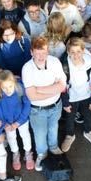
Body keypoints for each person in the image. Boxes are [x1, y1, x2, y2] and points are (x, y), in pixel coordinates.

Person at [21, 37, 66, 171]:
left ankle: (53, 147)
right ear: (31, 52)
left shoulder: (55, 62)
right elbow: (31, 96)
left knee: (53, 129)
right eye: (38, 53)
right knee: (40, 135)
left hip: (55, 106)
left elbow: (62, 86)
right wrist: (54, 88)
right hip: (37, 110)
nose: (41, 56)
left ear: (48, 51)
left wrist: (39, 89)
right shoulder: (27, 69)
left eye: (44, 52)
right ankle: (42, 153)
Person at [60, 38, 91, 152]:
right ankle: (69, 135)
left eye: (78, 51)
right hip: (72, 96)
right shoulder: (64, 65)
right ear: (68, 52)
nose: (76, 55)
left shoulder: (89, 60)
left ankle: (88, 132)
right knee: (70, 118)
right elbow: (63, 85)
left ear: (83, 50)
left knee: (88, 115)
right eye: (72, 52)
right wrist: (65, 101)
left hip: (86, 95)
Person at [0, 70, 34, 171]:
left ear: (14, 83)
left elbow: (27, 106)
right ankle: (15, 153)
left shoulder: (20, 89)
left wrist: (19, 122)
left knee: (25, 135)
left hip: (21, 120)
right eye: (4, 88)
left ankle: (28, 152)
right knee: (11, 137)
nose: (8, 90)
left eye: (10, 86)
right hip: (7, 122)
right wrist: (4, 124)